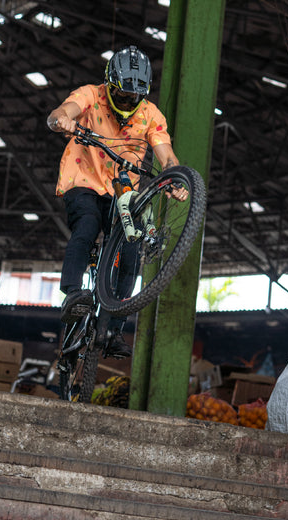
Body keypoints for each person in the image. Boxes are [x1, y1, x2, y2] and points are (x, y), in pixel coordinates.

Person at [47, 45, 186, 357]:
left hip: (122, 193)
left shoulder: (151, 115)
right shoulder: (90, 96)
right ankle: (72, 294)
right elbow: (64, 111)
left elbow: (166, 155)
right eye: (121, 95)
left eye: (133, 98)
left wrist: (174, 177)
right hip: (83, 182)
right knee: (87, 224)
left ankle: (114, 326)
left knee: (132, 249)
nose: (127, 103)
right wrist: (61, 121)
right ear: (108, 85)